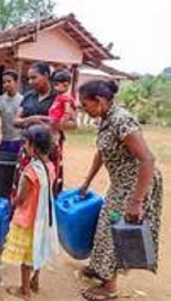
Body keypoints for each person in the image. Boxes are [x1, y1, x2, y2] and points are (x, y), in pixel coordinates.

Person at [78, 80, 163, 301]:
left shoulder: (122, 121)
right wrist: (87, 181)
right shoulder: (106, 119)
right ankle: (101, 270)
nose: (84, 109)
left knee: (114, 229)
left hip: (135, 185)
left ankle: (110, 287)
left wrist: (136, 201)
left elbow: (147, 159)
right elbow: (101, 152)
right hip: (121, 184)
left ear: (98, 101)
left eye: (85, 105)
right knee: (106, 225)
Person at [2, 126, 59, 300]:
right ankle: (35, 281)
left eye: (26, 142)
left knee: (26, 258)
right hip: (42, 219)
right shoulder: (49, 166)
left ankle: (25, 291)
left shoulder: (31, 171)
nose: (23, 146)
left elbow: (22, 198)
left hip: (27, 219)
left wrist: (12, 203)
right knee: (37, 249)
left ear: (34, 146)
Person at [12, 62, 77, 198]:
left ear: (46, 76)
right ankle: (23, 214)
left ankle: (45, 215)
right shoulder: (29, 96)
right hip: (28, 147)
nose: (30, 82)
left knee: (47, 183)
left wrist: (54, 125)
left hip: (49, 149)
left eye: (34, 77)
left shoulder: (60, 96)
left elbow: (73, 124)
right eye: (29, 78)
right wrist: (32, 119)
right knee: (25, 182)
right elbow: (15, 121)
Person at [0, 70, 23, 154]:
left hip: (19, 140)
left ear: (16, 82)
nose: (6, 84)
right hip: (4, 140)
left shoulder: (23, 100)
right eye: (4, 82)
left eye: (9, 81)